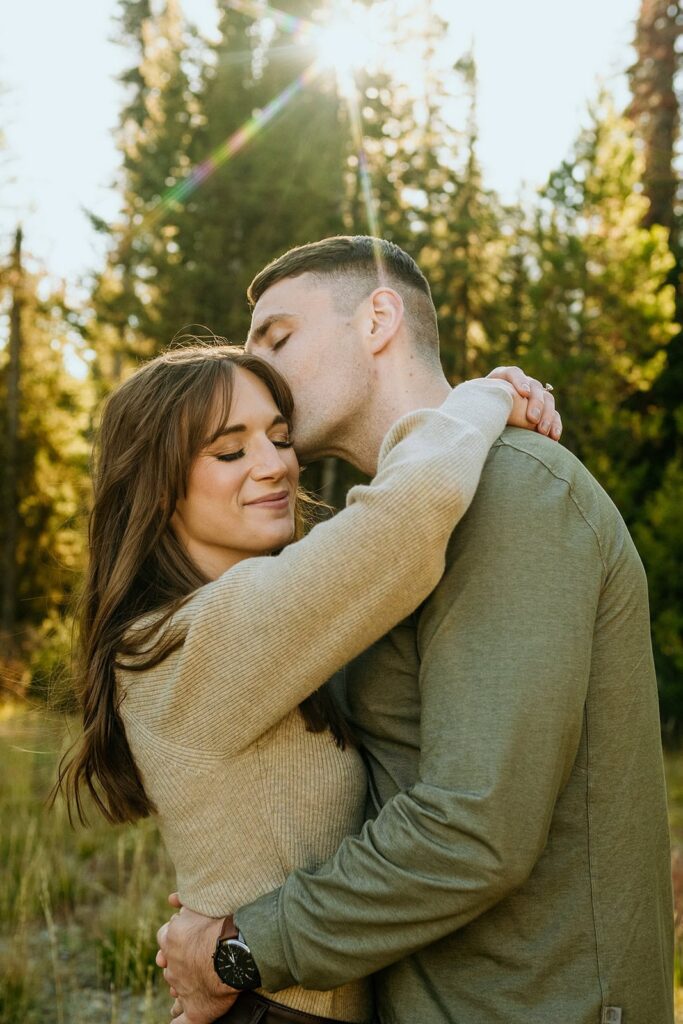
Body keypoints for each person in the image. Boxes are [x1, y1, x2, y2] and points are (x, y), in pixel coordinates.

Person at [158, 236, 674, 1024]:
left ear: (377, 320)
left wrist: (242, 949)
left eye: (279, 339)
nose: (257, 369)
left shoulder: (510, 491)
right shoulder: (380, 544)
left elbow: (472, 828)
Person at [57, 339, 554, 1024]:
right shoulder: (188, 641)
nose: (276, 465)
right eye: (230, 452)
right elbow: (410, 514)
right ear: (156, 483)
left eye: (282, 438)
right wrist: (484, 394)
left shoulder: (243, 626)